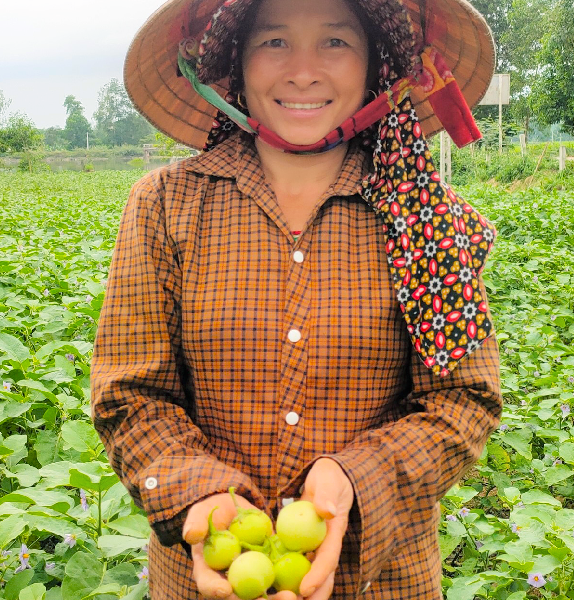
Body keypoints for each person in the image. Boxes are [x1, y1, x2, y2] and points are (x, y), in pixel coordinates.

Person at [90, 0, 502, 598]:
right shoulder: (165, 204)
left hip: (384, 580)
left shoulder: (425, 218)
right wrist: (198, 492)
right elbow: (130, 393)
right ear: (234, 63)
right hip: (201, 580)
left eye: (335, 43)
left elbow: (465, 399)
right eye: (274, 42)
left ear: (375, 68)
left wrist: (354, 478)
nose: (303, 71)